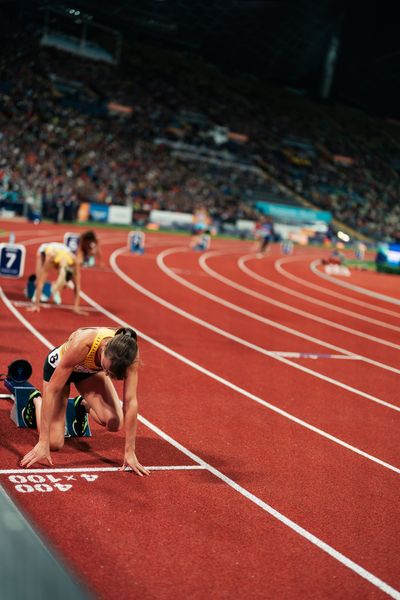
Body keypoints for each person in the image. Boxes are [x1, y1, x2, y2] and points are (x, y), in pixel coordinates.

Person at [20, 326, 150, 476]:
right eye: (105, 369)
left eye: (110, 373)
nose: (107, 374)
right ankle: (36, 400)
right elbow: (52, 390)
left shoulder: (129, 354)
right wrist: (42, 442)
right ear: (104, 347)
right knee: (54, 443)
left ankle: (80, 405)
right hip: (60, 369)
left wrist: (130, 451)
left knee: (115, 423)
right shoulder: (83, 343)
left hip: (88, 373)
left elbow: (131, 402)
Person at [29, 242, 84, 314]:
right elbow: (40, 283)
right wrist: (36, 305)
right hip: (45, 250)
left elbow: (77, 285)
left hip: (64, 251)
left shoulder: (74, 262)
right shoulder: (50, 259)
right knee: (38, 279)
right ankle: (36, 295)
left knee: (65, 281)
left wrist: (76, 307)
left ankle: (56, 290)